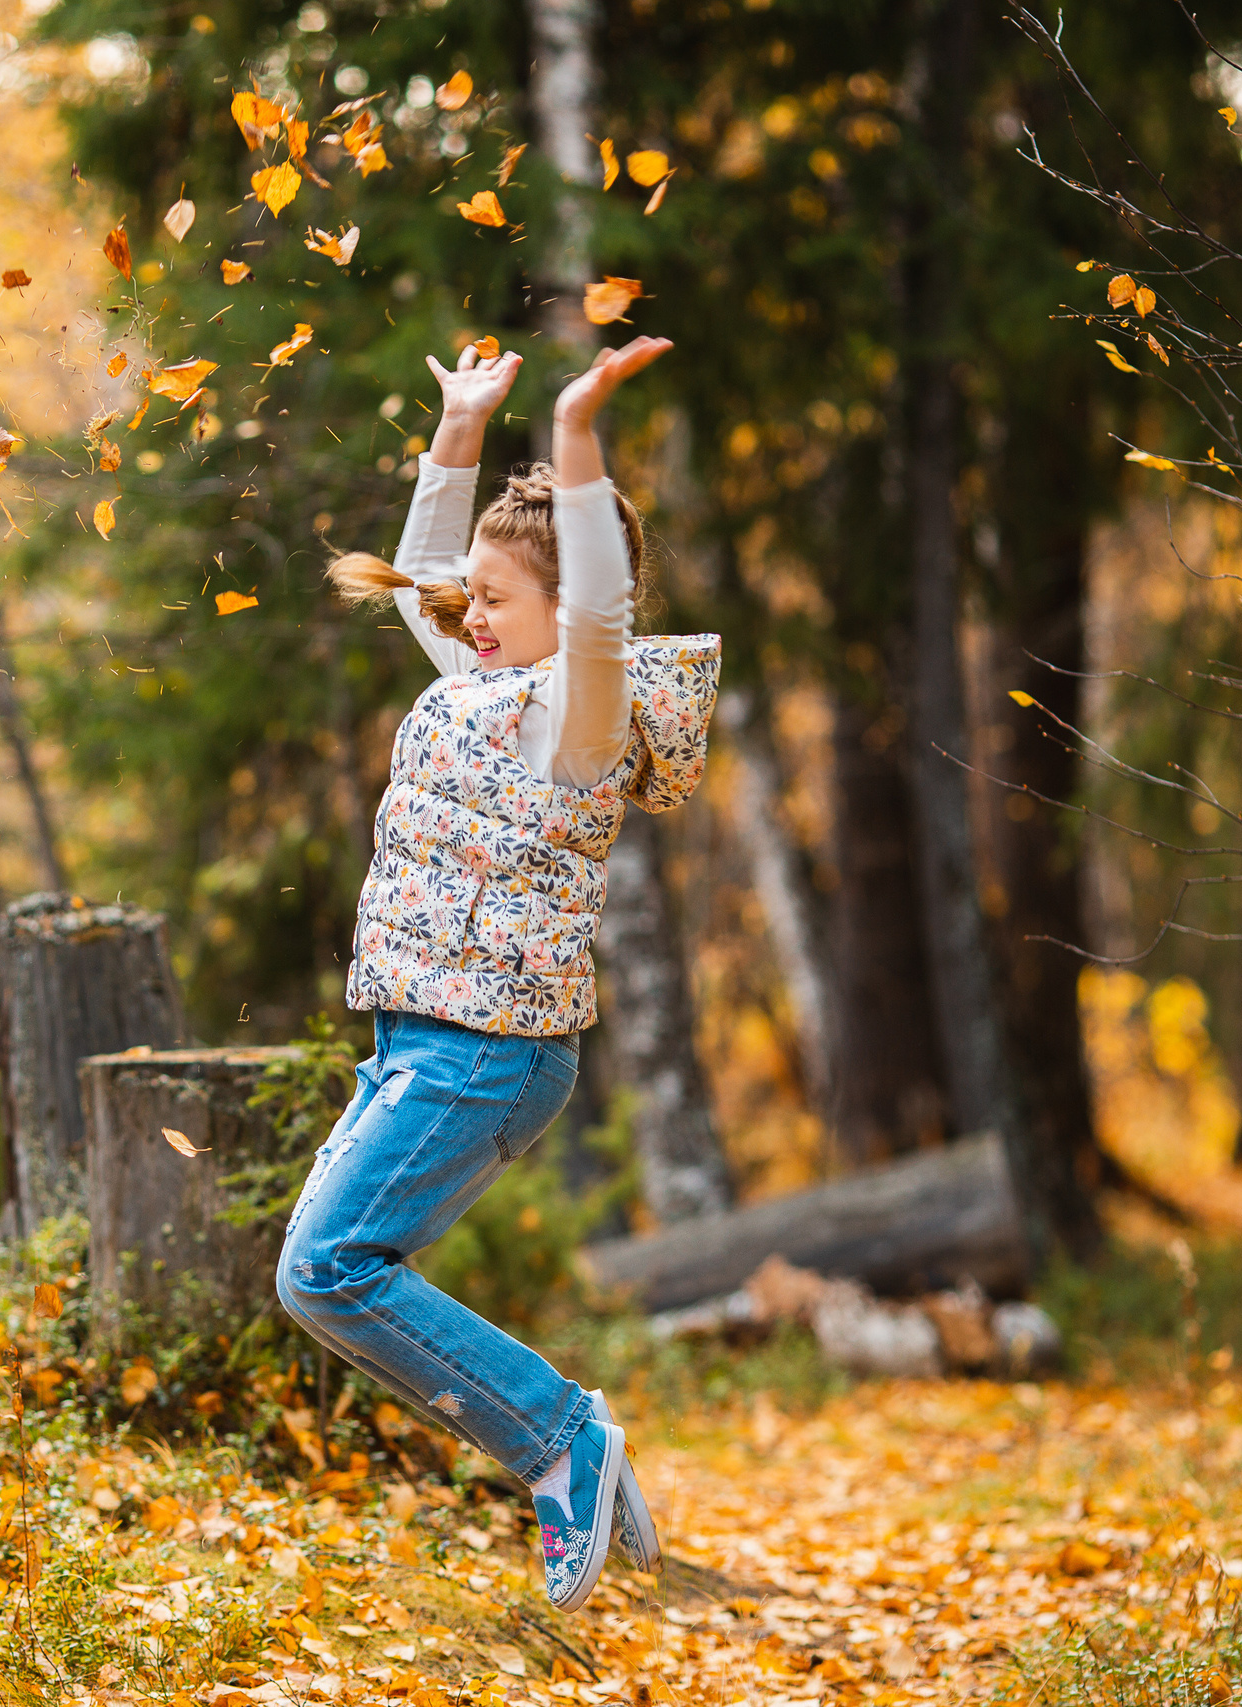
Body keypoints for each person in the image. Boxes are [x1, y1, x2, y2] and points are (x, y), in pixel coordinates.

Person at [277, 336, 718, 1612]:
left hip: (489, 1050)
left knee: (327, 1270)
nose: (469, 615)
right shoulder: (477, 684)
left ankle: (560, 1439)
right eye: (472, 598)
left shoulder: (570, 717)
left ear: (560, 618)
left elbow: (593, 610)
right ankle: (574, 1456)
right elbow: (430, 583)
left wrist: (573, 438)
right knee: (316, 1277)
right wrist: (460, 432)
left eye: (497, 601)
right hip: (420, 1040)